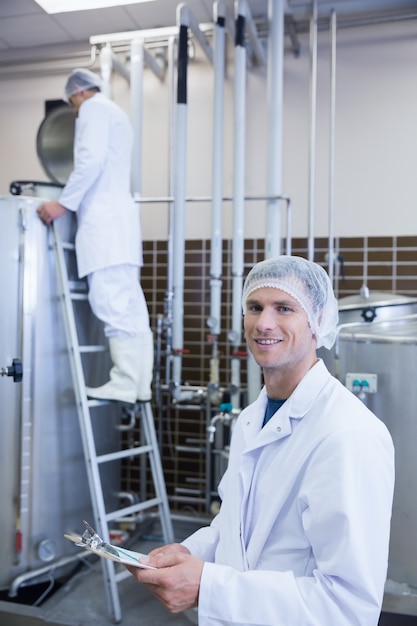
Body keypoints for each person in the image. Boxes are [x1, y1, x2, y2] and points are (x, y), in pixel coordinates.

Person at [128, 255, 395, 626]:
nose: (263, 323)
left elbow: (348, 607)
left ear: (318, 322)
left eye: (283, 308)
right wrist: (188, 552)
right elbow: (235, 526)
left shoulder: (348, 435)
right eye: (254, 307)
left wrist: (210, 586)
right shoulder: (253, 418)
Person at [37, 68, 153, 405]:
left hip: (104, 226)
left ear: (78, 93)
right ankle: (138, 384)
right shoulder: (115, 112)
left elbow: (90, 160)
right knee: (130, 306)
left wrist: (63, 203)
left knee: (111, 302)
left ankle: (125, 382)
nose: (74, 110)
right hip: (121, 226)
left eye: (72, 102)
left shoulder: (92, 109)